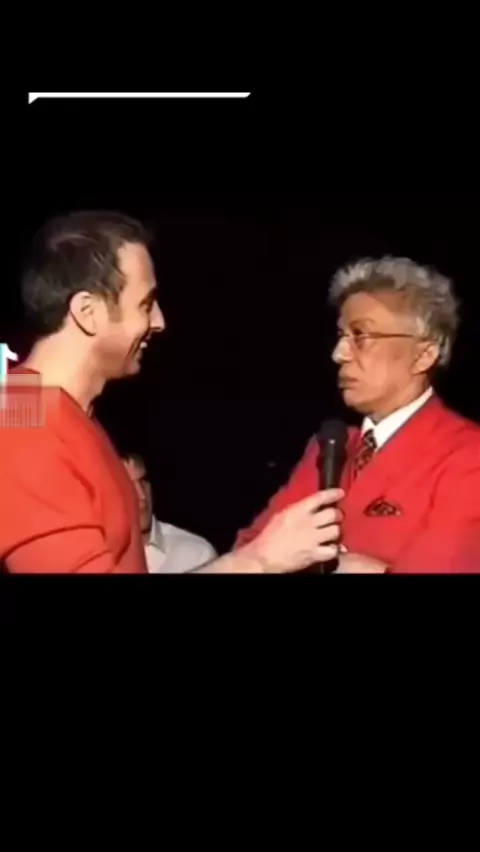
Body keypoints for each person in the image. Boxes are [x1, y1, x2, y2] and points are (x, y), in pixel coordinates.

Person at [0, 210, 344, 574]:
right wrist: (257, 561)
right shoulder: (19, 425)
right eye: (146, 304)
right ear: (88, 312)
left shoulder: (53, 410)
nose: (159, 321)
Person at [236, 257, 480, 573]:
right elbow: (249, 554)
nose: (338, 353)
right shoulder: (329, 447)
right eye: (341, 335)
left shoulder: (467, 455)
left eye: (361, 336)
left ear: (424, 355)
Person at [123, 452, 218, 572]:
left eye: (143, 481)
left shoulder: (197, 556)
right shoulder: (100, 557)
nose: (142, 495)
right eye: (128, 485)